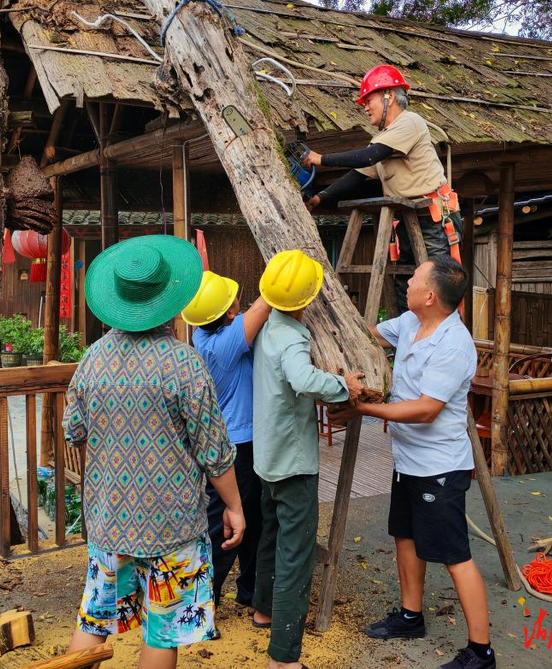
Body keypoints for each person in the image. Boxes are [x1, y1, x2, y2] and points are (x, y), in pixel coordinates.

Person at [62, 236, 246, 669]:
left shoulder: (93, 358)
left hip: (110, 517)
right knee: (163, 630)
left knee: (94, 619)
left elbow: (74, 430)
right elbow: (214, 452)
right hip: (172, 521)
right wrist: (234, 506)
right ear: (170, 299)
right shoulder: (184, 363)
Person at [331, 256, 494, 669]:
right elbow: (366, 336)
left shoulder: (454, 345)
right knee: (405, 536)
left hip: (439, 467)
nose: (407, 283)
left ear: (431, 295)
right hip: (407, 461)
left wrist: (365, 410)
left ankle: (480, 652)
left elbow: (425, 410)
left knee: (455, 555)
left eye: (415, 279)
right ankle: (410, 616)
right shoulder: (408, 323)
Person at [250, 250, 366, 669]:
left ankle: (263, 609)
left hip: (267, 455)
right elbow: (302, 379)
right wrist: (343, 385)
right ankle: (283, 657)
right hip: (293, 461)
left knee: (270, 535)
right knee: (295, 553)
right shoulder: (295, 338)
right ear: (306, 300)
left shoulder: (267, 327)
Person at [300, 65, 462, 313]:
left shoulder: (410, 122)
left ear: (389, 96)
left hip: (434, 219)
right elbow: (357, 176)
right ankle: (405, 343)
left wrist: (320, 159)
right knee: (407, 285)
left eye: (369, 99)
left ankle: (439, 345)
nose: (364, 107)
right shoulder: (386, 138)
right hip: (410, 220)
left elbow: (368, 157)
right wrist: (322, 198)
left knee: (436, 287)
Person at [182, 271, 272, 610]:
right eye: (234, 299)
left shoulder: (203, 336)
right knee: (225, 524)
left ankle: (249, 588)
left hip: (228, 440)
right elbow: (269, 299)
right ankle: (203, 597)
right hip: (239, 446)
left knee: (253, 516)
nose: (240, 301)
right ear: (231, 313)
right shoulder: (228, 341)